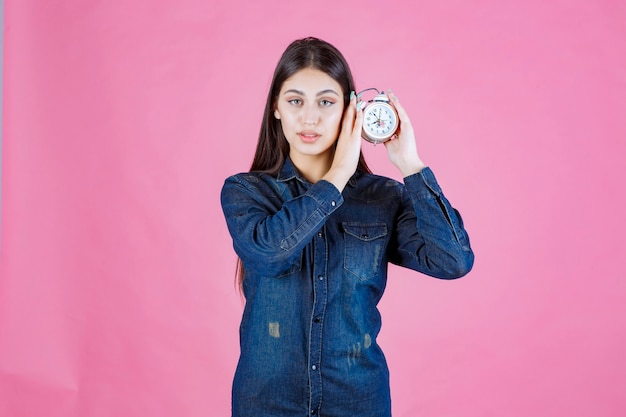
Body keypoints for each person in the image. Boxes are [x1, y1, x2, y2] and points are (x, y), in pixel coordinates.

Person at [220, 37, 474, 417]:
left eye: (326, 102)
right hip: (267, 403)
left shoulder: (383, 199)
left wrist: (411, 164)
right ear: (275, 108)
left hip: (358, 401)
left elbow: (453, 261)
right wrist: (338, 174)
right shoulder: (246, 192)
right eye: (295, 101)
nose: (309, 118)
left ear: (349, 110)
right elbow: (269, 254)